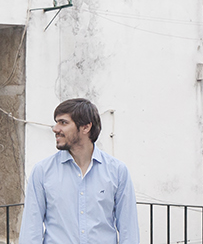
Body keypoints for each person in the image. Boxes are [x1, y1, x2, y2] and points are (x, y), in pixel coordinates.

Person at [19, 98, 139, 244]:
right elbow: (31, 229)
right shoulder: (42, 171)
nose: (55, 129)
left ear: (85, 127)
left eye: (63, 122)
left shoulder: (118, 171)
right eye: (56, 122)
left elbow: (129, 230)